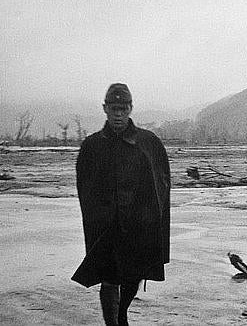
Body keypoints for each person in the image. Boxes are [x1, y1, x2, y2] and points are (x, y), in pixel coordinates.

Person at [72, 83, 170, 326]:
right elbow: (84, 187)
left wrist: (150, 217)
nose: (118, 114)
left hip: (139, 225)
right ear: (105, 109)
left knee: (133, 275)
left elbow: (162, 184)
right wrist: (97, 218)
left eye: (123, 108)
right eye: (114, 108)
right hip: (106, 226)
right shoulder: (92, 146)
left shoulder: (148, 142)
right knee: (108, 276)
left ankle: (122, 313)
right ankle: (114, 323)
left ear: (130, 108)